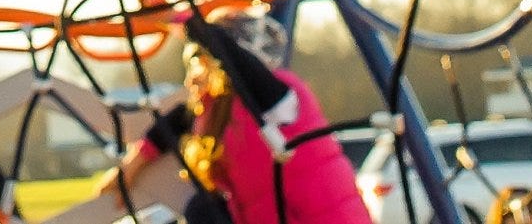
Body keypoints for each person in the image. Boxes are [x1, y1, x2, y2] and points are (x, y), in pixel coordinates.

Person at [108, 15, 366, 224]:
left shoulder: (279, 100)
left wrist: (180, 19)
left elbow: (236, 60)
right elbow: (176, 122)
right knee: (203, 208)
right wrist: (134, 163)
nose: (190, 79)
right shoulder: (219, 110)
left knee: (204, 210)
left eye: (197, 62)